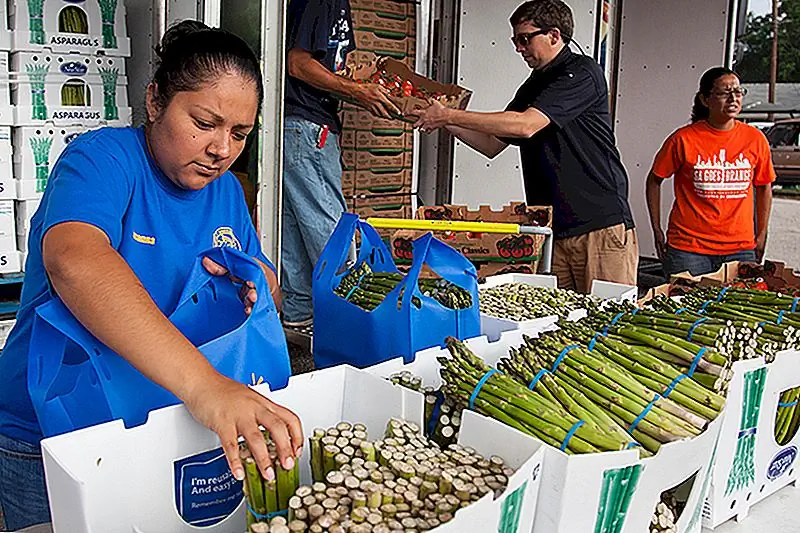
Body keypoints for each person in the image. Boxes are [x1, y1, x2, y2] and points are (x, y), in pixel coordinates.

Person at [0, 21, 302, 530]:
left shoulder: (226, 191)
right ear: (156, 100)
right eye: (204, 122)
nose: (221, 149)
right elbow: (74, 261)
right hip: (57, 432)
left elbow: (260, 275)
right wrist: (206, 384)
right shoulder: (102, 160)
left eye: (240, 133)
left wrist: (257, 285)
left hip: (158, 417)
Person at [410, 0, 637, 293]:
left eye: (524, 38)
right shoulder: (533, 86)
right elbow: (491, 144)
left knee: (606, 321)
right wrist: (442, 122)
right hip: (552, 229)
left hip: (599, 227)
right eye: (515, 40)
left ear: (554, 35)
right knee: (556, 323)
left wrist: (450, 114)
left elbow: (526, 125)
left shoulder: (581, 72)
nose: (519, 48)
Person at [281, 0, 401, 327]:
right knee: (331, 232)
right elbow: (297, 63)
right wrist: (358, 91)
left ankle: (299, 315)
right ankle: (350, 321)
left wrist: (360, 85)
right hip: (307, 126)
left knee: (293, 229)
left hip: (296, 125)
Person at [646, 67, 775, 277]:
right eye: (724, 92)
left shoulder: (755, 139)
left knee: (737, 308)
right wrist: (656, 229)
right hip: (688, 249)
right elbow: (654, 180)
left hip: (740, 248)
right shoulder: (683, 139)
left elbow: (764, 186)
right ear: (705, 100)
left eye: (738, 91)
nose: (733, 98)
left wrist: (761, 233)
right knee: (686, 308)